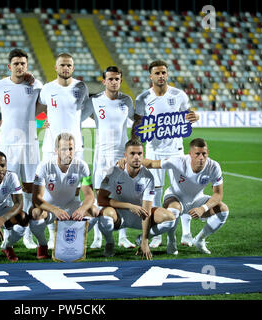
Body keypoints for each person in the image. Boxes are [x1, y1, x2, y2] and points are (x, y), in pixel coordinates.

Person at [132, 60, 199, 249]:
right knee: (154, 194)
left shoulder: (179, 95)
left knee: (182, 193)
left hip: (176, 152)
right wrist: (135, 143)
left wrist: (195, 116)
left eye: (164, 73)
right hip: (154, 152)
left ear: (167, 74)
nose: (161, 76)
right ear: (150, 76)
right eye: (157, 73)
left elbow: (188, 116)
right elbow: (137, 125)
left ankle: (186, 233)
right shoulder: (143, 98)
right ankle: (157, 234)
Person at [0, 48, 43, 249]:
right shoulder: (0, 86)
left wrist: (31, 115)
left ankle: (27, 233)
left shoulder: (36, 85)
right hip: (8, 144)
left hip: (29, 142)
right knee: (5, 187)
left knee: (29, 188)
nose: (20, 67)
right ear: (9, 66)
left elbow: (43, 105)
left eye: (23, 64)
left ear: (27, 66)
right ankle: (6, 227)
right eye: (16, 64)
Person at [37, 52, 89, 248]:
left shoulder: (81, 87)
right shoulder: (47, 89)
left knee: (73, 189)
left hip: (75, 147)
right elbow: (38, 109)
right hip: (51, 146)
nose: (65, 68)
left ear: (73, 68)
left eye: (69, 65)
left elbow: (84, 109)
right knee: (50, 189)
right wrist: (41, 121)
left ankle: (67, 230)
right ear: (56, 68)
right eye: (62, 65)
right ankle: (51, 233)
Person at [142, 138, 229, 254]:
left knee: (223, 210)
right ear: (190, 154)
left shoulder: (214, 167)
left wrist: (203, 208)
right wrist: (129, 160)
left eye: (204, 153)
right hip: (175, 197)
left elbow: (218, 194)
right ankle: (171, 240)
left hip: (197, 200)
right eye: (197, 154)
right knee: (174, 210)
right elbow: (151, 164)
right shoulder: (178, 161)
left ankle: (200, 239)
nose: (201, 157)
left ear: (207, 153)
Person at [81, 66, 136, 249]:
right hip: (102, 157)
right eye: (110, 79)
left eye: (117, 79)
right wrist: (46, 121)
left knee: (122, 195)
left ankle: (122, 237)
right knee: (99, 198)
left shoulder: (126, 100)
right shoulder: (95, 101)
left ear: (121, 80)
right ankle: (97, 238)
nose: (114, 82)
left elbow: (137, 122)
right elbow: (76, 117)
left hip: (122, 157)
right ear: (104, 81)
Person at [97, 139, 178, 260]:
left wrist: (145, 240)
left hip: (140, 215)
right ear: (125, 155)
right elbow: (101, 200)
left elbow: (146, 210)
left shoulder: (148, 176)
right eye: (132, 154)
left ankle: (141, 238)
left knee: (170, 218)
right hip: (120, 215)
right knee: (105, 215)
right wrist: (129, 206)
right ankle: (110, 243)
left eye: (139, 154)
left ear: (143, 155)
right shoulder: (114, 171)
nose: (136, 157)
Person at [30, 133, 98, 259]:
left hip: (70, 206)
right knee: (35, 213)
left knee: (93, 210)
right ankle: (43, 244)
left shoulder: (82, 166)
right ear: (56, 150)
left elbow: (89, 196)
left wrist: (82, 209)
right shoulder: (44, 166)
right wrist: (55, 210)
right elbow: (36, 199)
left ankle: (69, 240)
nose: (68, 152)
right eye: (64, 149)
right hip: (49, 208)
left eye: (71, 149)